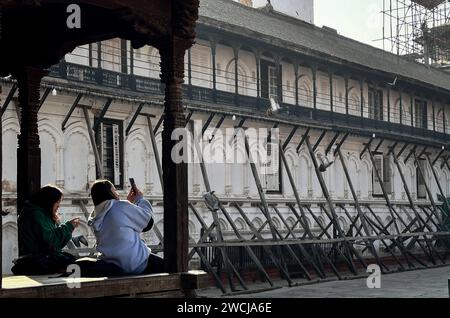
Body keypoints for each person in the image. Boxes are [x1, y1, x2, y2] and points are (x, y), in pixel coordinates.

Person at [83, 179, 163, 276]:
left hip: (114, 266)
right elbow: (148, 222)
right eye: (114, 190)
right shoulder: (121, 206)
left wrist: (129, 204)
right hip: (137, 262)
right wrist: (140, 199)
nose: (117, 194)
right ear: (109, 192)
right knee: (171, 268)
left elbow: (119, 223)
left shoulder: (95, 217)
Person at [12, 185, 80, 275]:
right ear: (49, 201)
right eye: (57, 202)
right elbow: (50, 242)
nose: (58, 206)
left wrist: (69, 228)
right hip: (39, 260)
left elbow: (57, 245)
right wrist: (68, 227)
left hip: (43, 257)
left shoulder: (41, 214)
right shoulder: (36, 214)